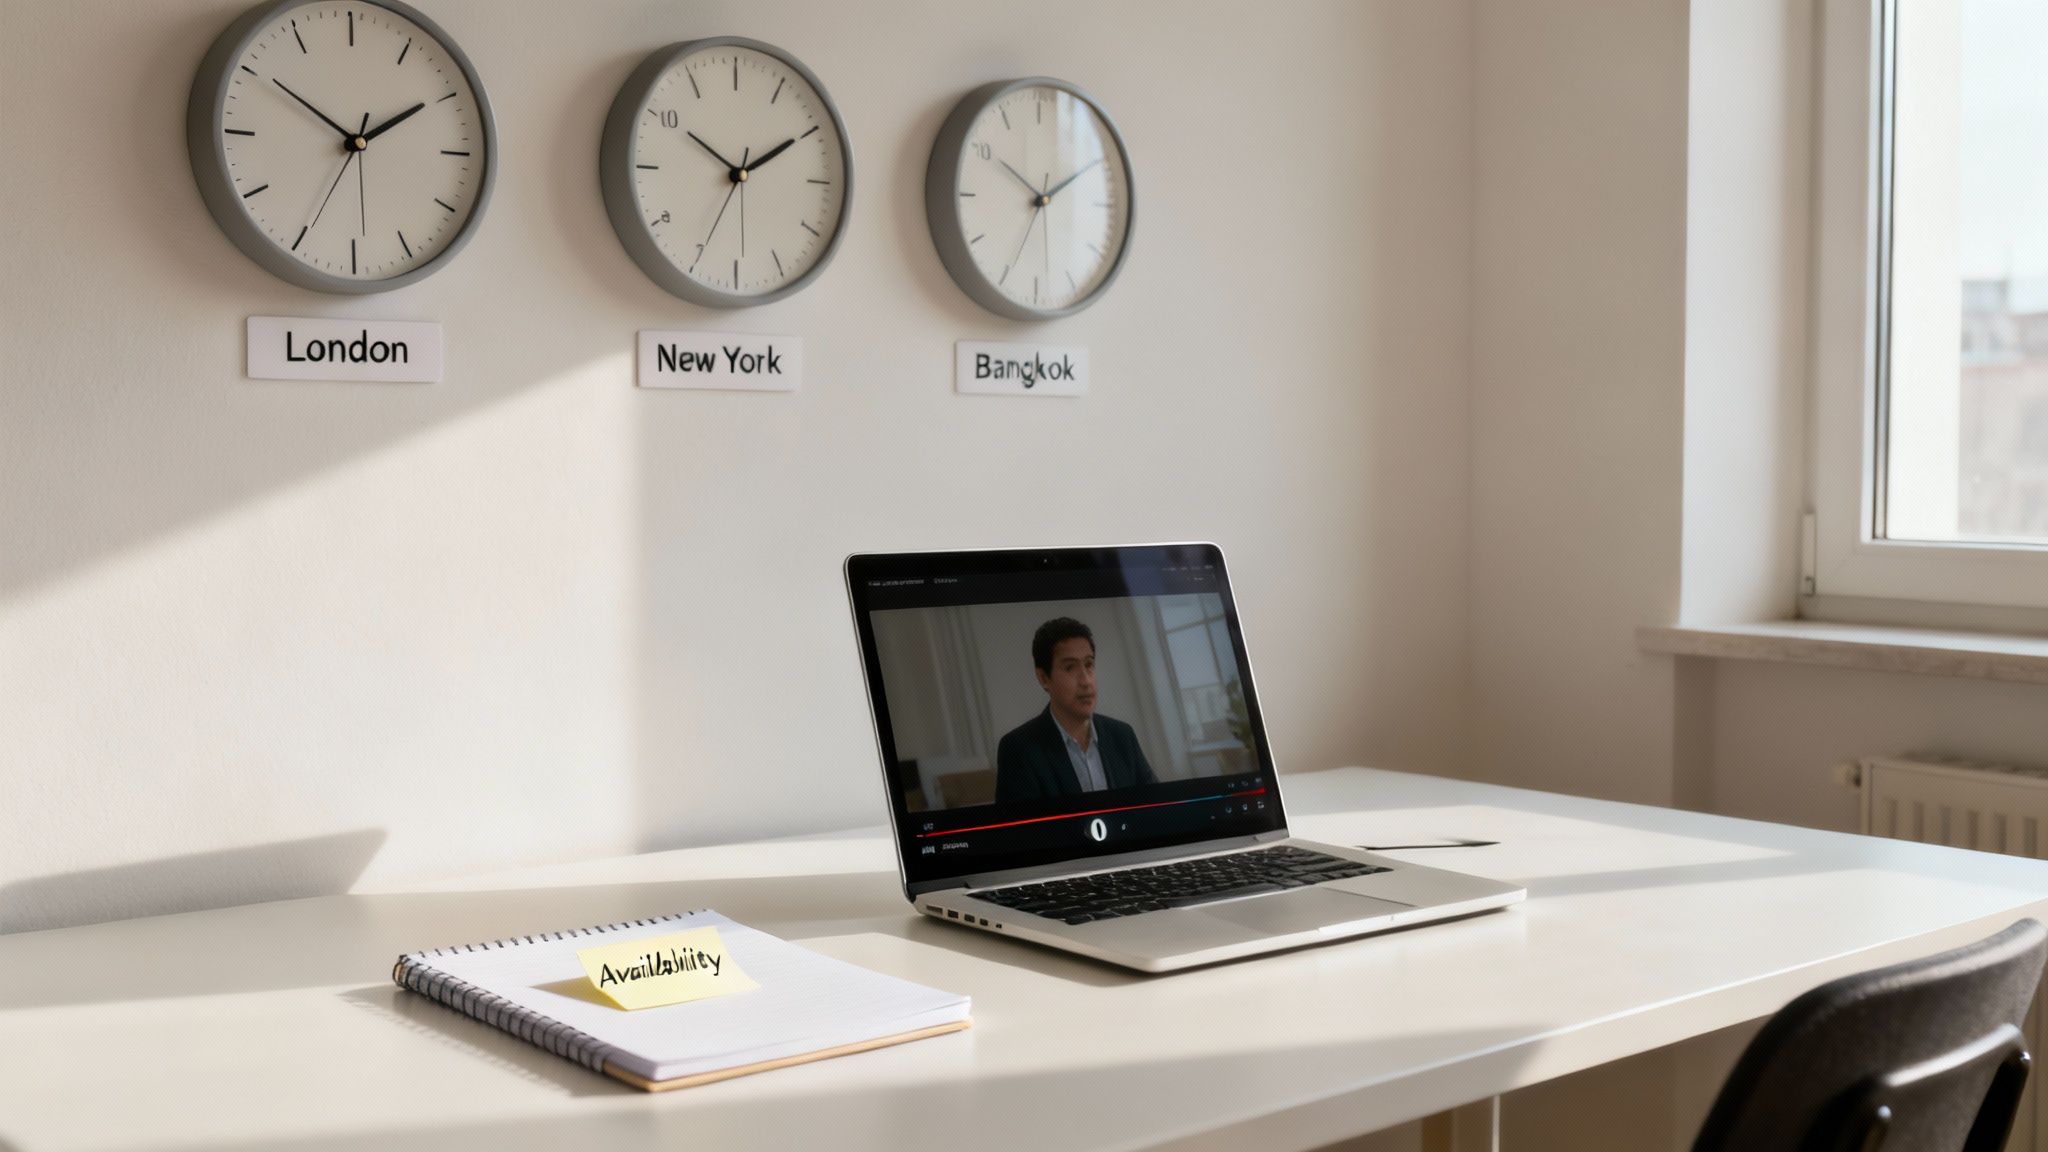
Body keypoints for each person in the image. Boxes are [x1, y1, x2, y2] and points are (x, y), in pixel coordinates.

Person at [995, 617, 1157, 802]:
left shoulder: (1122, 736)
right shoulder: (1019, 749)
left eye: (1089, 665)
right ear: (1043, 678)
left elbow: (1155, 807)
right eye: (1070, 668)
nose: (1086, 681)